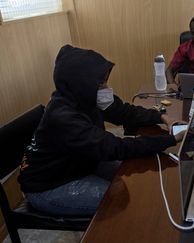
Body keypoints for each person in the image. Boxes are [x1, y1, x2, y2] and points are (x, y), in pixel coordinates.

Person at [18, 44, 185, 217]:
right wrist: (172, 140)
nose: (106, 88)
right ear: (82, 83)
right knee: (119, 201)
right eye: (101, 83)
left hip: (81, 162)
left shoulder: (84, 95)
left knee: (137, 177)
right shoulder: (63, 117)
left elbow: (124, 112)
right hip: (49, 185)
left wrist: (162, 118)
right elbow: (115, 148)